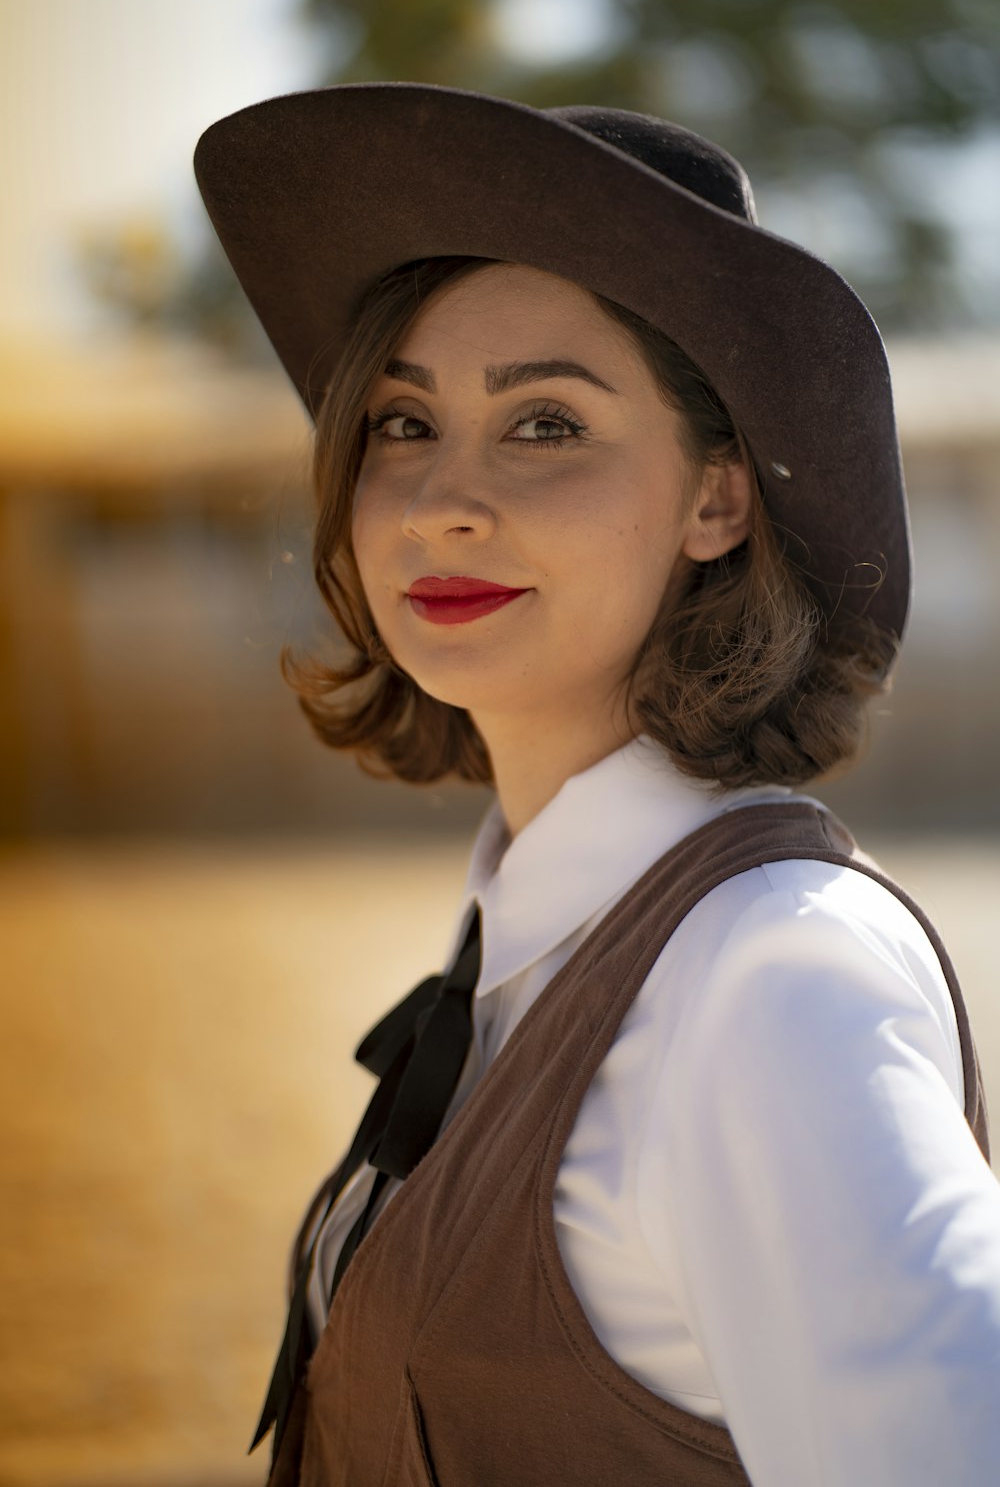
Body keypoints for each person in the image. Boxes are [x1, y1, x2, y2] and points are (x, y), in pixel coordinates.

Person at [194, 85, 1000, 1486]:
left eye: (547, 424)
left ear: (716, 499)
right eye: (399, 421)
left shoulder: (774, 976)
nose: (446, 496)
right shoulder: (532, 933)